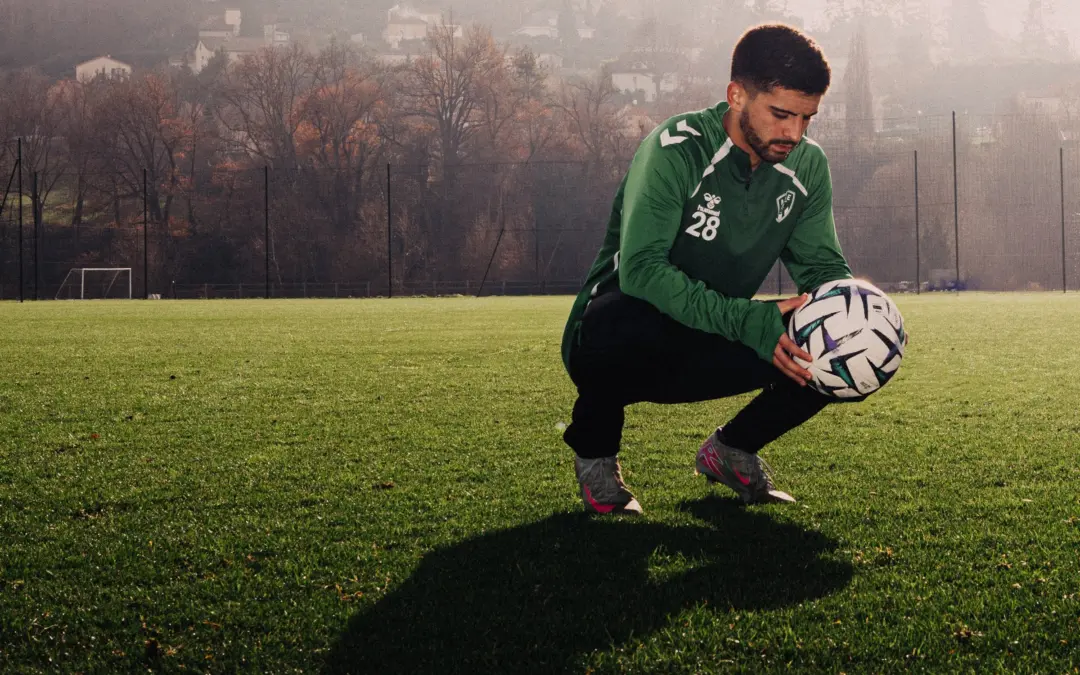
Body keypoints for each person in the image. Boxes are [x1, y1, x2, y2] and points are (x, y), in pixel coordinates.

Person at [561, 24, 853, 515]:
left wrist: (855, 311)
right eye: (781, 114)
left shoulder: (807, 167)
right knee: (613, 318)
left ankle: (733, 450)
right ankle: (596, 459)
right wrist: (749, 321)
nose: (794, 134)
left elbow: (822, 269)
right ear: (736, 95)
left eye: (807, 119)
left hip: (714, 337)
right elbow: (642, 271)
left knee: (840, 341)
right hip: (626, 344)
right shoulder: (676, 147)